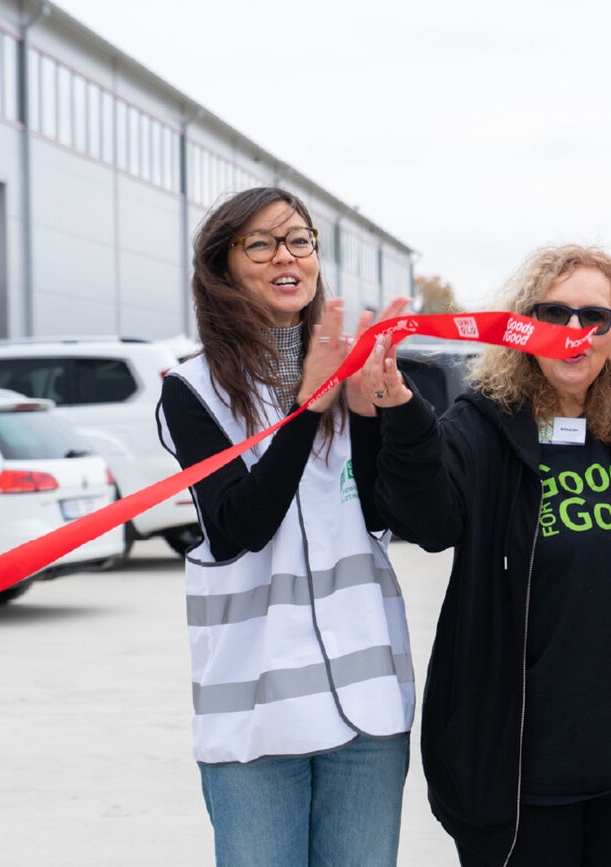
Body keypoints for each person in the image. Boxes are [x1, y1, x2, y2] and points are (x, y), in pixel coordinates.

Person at [364, 244, 611, 866]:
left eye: (595, 318)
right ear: (523, 326)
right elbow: (426, 522)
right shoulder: (480, 428)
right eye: (553, 312)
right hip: (519, 777)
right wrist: (402, 416)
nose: (573, 332)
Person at [157, 187, 415, 866]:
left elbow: (391, 516)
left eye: (299, 239)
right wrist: (306, 412)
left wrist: (372, 414)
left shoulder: (354, 369)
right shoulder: (193, 389)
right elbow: (242, 524)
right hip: (258, 715)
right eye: (262, 242)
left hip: (366, 707)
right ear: (222, 263)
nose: (287, 256)